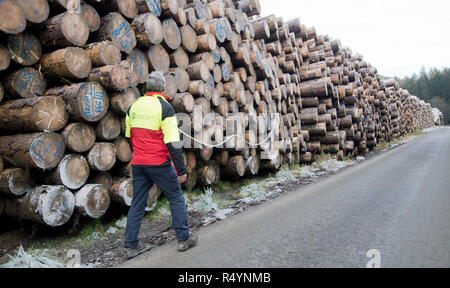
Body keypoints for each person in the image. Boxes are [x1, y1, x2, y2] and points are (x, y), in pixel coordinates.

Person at [124, 71, 198, 260]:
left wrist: (140, 155)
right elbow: (173, 143)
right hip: (158, 163)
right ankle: (184, 238)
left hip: (139, 163)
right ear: (163, 88)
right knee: (176, 197)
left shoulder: (133, 106)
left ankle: (131, 246)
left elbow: (129, 137)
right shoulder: (165, 108)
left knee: (138, 203)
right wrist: (181, 170)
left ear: (147, 87)